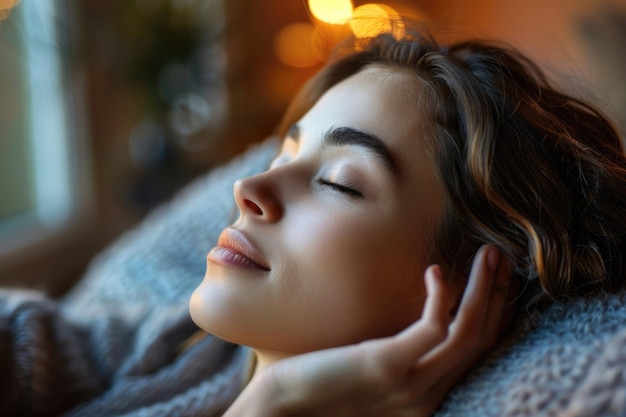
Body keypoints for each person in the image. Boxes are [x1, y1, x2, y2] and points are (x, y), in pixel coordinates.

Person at [187, 23, 626, 417]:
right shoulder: (134, 359)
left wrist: (273, 401)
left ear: (468, 286)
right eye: (282, 155)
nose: (246, 188)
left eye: (340, 182)